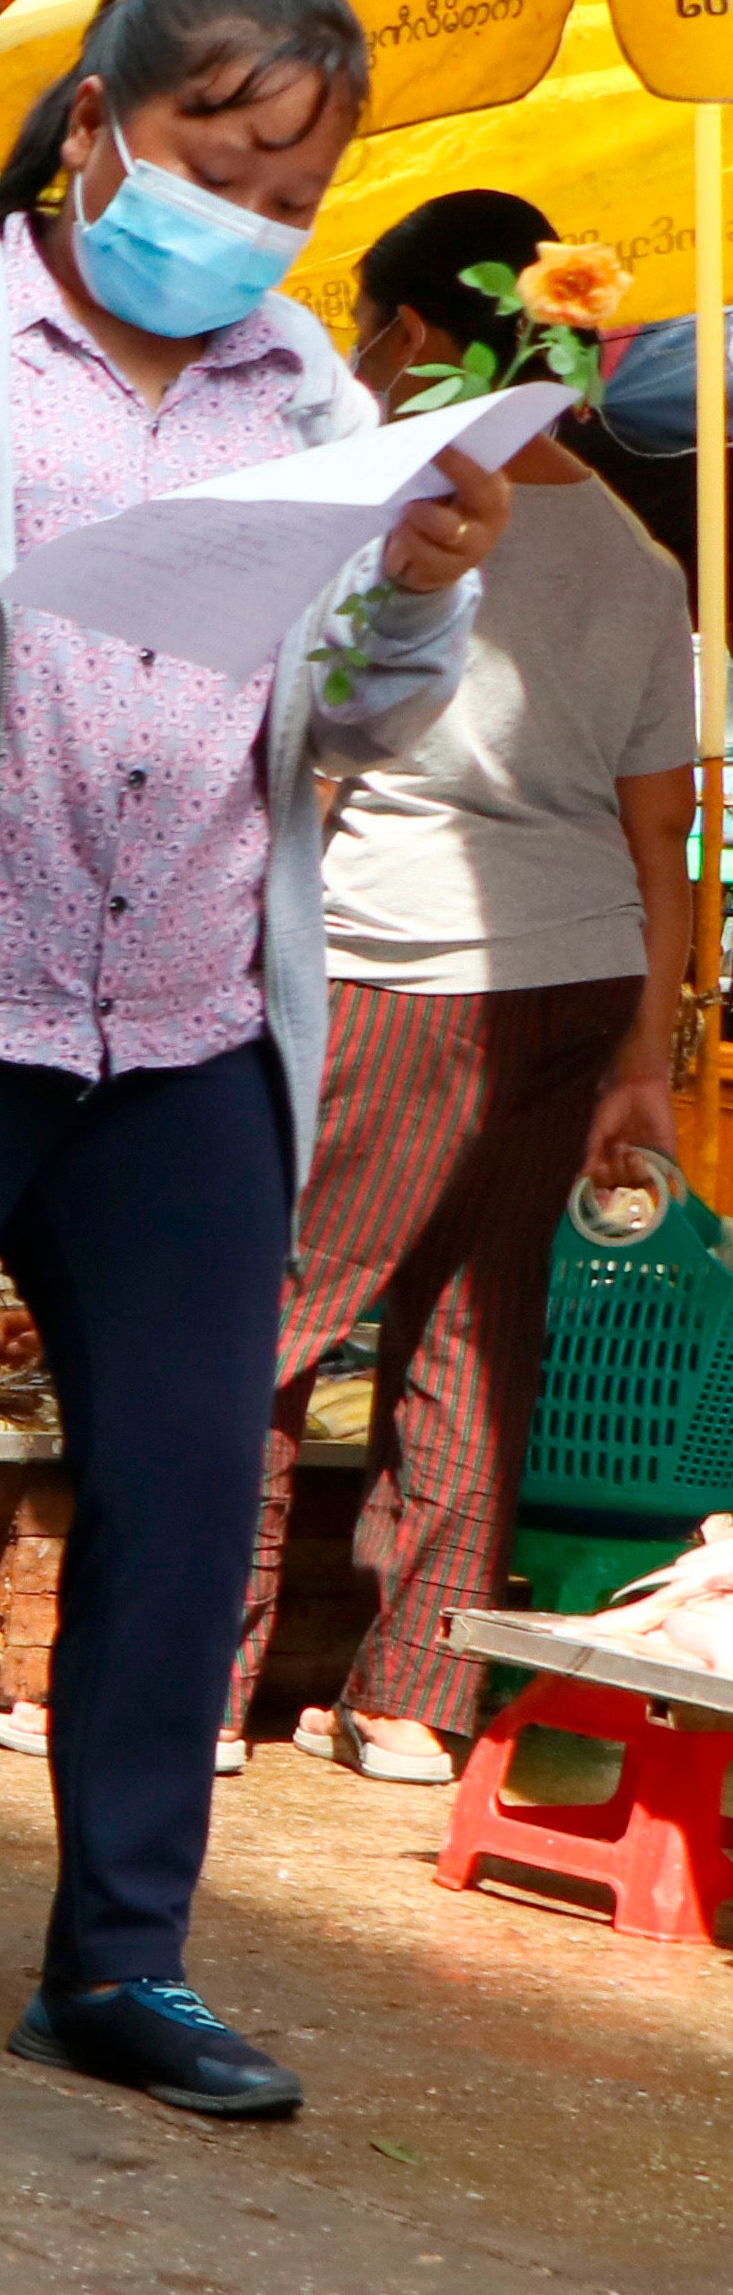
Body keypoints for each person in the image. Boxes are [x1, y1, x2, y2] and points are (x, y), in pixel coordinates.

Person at [0, 0, 505, 2121]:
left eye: (301, 190)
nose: (259, 222)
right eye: (229, 157)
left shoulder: (312, 390)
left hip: (187, 1024)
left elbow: (362, 722)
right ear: (98, 124)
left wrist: (421, 578)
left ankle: (121, 1960)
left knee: (194, 1494)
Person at [221, 189, 694, 1788]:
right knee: (478, 1334)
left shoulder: (401, 511)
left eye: (369, 330)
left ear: (415, 336)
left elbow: (318, 767)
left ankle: (196, 1682)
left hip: (396, 968)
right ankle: (416, 1703)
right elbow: (662, 832)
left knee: (272, 1317)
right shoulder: (637, 561)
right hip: (578, 978)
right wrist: (649, 1053)